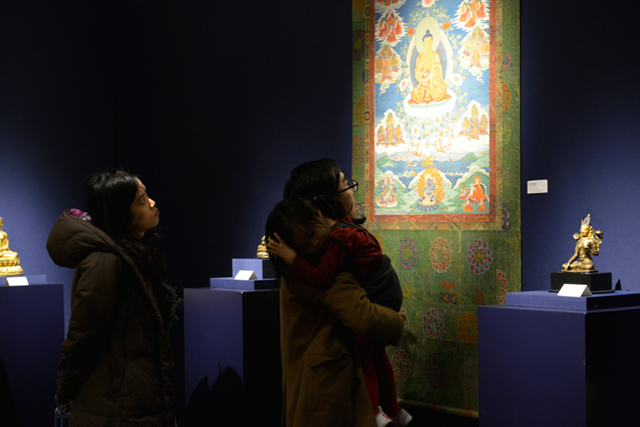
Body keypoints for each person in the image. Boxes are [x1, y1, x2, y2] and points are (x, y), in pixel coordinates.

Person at [265, 159, 406, 427]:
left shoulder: (309, 249)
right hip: (329, 386)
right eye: (345, 183)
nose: (351, 190)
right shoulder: (322, 256)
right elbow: (361, 315)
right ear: (324, 201)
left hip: (319, 381)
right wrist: (397, 323)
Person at [46, 169, 181, 426]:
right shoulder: (105, 262)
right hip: (116, 406)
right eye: (142, 201)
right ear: (121, 214)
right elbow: (83, 336)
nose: (152, 203)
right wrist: (66, 390)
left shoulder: (134, 254)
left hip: (132, 398)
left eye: (147, 196)